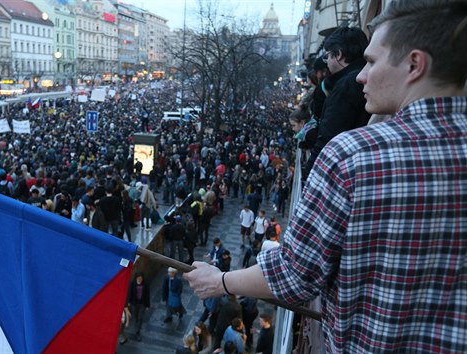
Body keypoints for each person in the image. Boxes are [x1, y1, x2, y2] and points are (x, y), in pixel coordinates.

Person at [184, 1, 467, 352]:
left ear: (414, 65)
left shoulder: (352, 155)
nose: (360, 75)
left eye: (373, 61)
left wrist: (220, 281)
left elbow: (293, 276)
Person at [305, 26, 371, 175]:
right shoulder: (364, 75)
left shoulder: (345, 86)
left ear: (339, 55)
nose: (326, 61)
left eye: (328, 56)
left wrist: (309, 173)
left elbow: (328, 138)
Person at [127, 272, 150, 341]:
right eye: (138, 278)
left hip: (142, 303)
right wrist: (129, 302)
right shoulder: (132, 283)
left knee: (140, 318)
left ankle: (137, 331)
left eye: (141, 278)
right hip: (134, 303)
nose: (140, 279)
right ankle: (137, 329)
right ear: (136, 278)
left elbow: (147, 295)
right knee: (135, 317)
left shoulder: (145, 284)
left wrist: (147, 305)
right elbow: (130, 293)